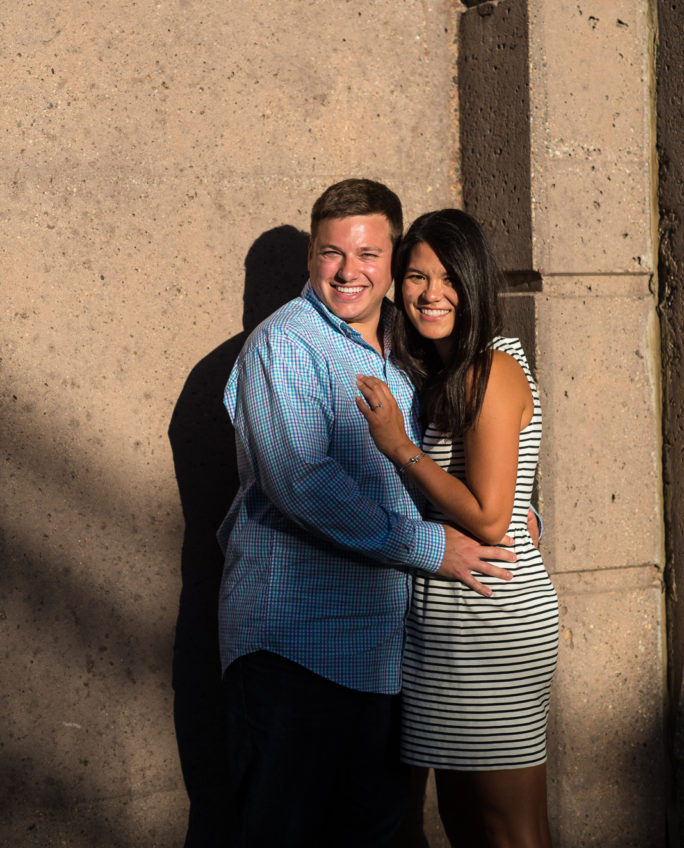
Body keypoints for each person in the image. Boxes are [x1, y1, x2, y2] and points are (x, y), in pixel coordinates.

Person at [216, 180, 519, 848]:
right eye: (332, 254)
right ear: (311, 259)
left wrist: (508, 510)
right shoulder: (285, 345)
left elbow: (450, 459)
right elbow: (304, 486)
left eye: (369, 254)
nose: (350, 271)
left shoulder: (409, 351)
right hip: (296, 650)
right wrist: (431, 546)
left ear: (391, 260)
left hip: (387, 654)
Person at [356, 209, 559, 848]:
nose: (431, 293)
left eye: (449, 277)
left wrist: (399, 448)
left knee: (510, 830)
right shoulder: (452, 370)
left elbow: (494, 519)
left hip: (491, 621)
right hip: (451, 623)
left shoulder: (487, 369)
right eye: (416, 276)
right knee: (465, 825)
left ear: (474, 283)